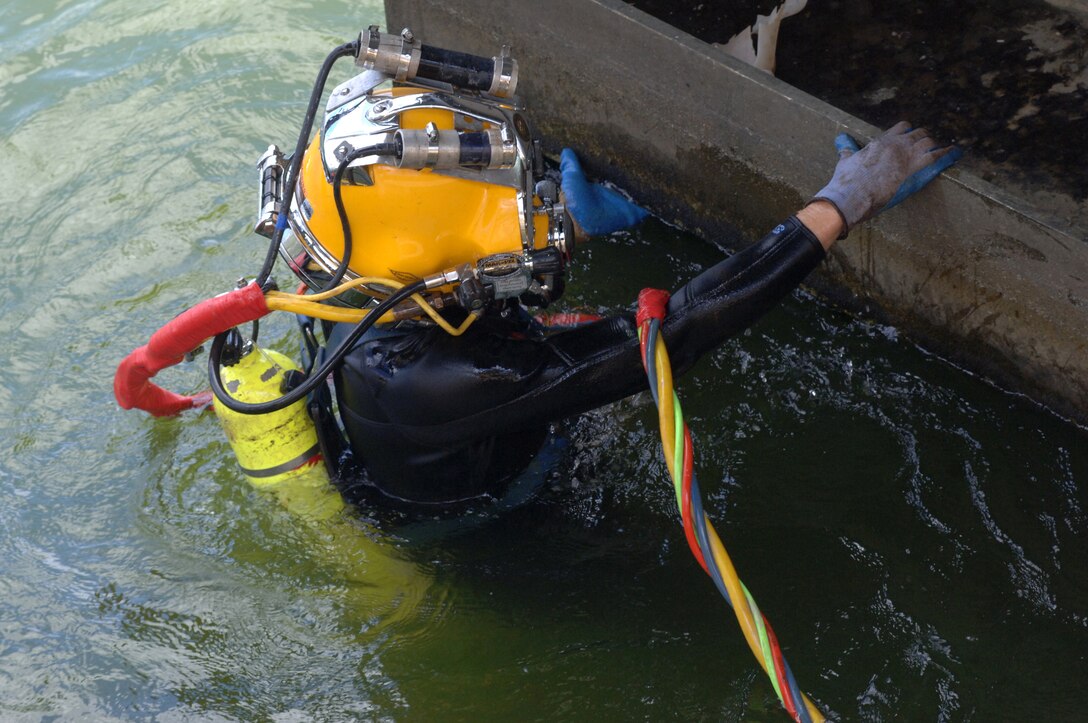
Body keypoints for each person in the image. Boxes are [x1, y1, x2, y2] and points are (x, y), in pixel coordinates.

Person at [323, 121, 958, 508]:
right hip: (509, 517)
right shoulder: (441, 381)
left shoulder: (347, 264)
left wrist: (568, 227)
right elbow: (670, 332)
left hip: (438, 430)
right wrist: (840, 205)